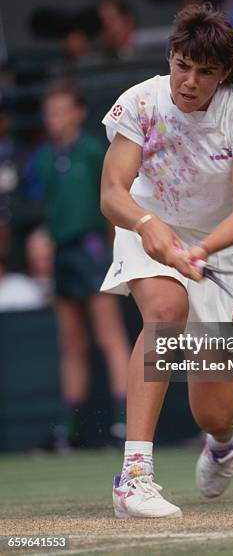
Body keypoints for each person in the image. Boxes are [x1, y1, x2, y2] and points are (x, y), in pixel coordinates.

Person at [100, 3, 233, 518]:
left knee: (213, 411)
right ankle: (133, 478)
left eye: (205, 72)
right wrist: (145, 225)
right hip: (147, 227)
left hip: (216, 249)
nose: (189, 81)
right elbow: (113, 192)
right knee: (164, 310)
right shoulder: (139, 102)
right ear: (171, 56)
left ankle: (224, 441)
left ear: (223, 72)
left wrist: (202, 250)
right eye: (183, 65)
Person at [28, 81, 131, 450]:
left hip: (93, 251)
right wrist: (43, 237)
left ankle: (123, 424)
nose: (54, 119)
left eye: (61, 110)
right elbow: (45, 208)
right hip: (62, 254)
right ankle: (67, 429)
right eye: (49, 112)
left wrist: (113, 251)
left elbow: (112, 202)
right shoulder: (42, 158)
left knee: (110, 337)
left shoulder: (92, 151)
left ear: (78, 112)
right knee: (71, 343)